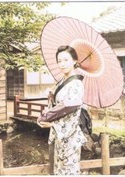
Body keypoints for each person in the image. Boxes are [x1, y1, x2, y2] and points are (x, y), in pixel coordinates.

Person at [37, 45, 87, 175]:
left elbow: (71, 111)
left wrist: (52, 124)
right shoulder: (62, 81)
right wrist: (51, 95)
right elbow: (58, 107)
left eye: (66, 60)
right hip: (60, 137)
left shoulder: (76, 84)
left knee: (69, 172)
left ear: (74, 61)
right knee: (59, 171)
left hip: (69, 137)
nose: (62, 64)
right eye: (59, 61)